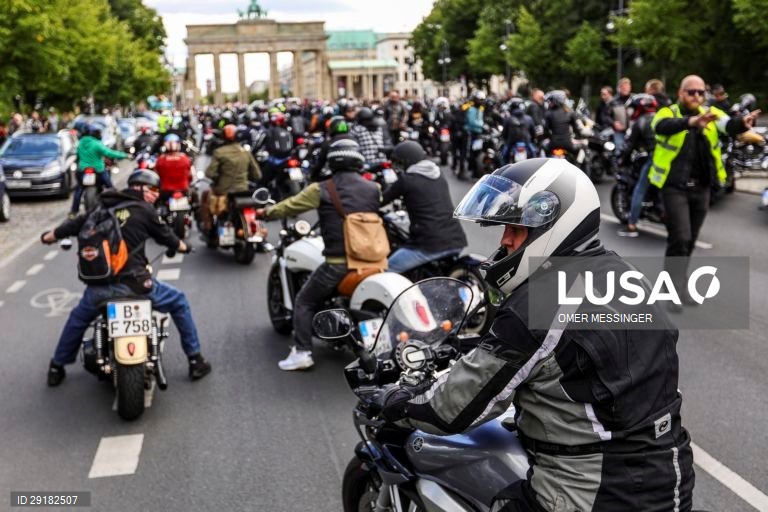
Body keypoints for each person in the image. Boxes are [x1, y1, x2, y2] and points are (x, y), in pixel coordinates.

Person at [376, 158, 696, 511]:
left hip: (592, 492)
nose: (506, 240)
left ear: (556, 226)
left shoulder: (538, 304)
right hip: (671, 478)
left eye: (517, 229)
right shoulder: (625, 274)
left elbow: (449, 410)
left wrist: (394, 401)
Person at [42, 170, 211, 386]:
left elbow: (72, 226)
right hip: (138, 285)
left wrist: (48, 237)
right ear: (138, 187)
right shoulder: (145, 210)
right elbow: (168, 238)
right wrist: (184, 247)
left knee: (77, 320)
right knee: (179, 302)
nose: (155, 195)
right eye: (152, 190)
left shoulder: (100, 207)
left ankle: (57, 366)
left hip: (100, 287)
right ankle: (195, 359)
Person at [256, 139, 381, 371]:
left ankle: (302, 352)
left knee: (304, 301)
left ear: (332, 161)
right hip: (376, 260)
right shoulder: (374, 188)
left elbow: (290, 206)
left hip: (339, 263)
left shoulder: (322, 188)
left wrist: (266, 212)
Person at [649, 74, 758, 312]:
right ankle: (672, 291)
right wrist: (691, 122)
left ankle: (679, 286)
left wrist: (743, 123)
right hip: (674, 187)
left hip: (702, 188)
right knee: (681, 238)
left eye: (701, 92)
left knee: (689, 242)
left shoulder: (712, 114)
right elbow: (660, 127)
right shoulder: (669, 113)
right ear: (681, 93)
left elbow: (728, 125)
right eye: (692, 92)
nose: (697, 96)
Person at [383, 141, 467, 273]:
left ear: (407, 162)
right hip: (456, 240)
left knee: (386, 271)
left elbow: (381, 200)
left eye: (400, 163)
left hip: (429, 246)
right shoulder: (438, 173)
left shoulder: (406, 180)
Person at [199, 124, 262, 232]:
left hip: (222, 190)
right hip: (243, 190)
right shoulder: (245, 152)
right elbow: (257, 175)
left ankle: (208, 225)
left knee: (205, 196)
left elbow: (209, 173)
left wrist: (217, 178)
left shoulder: (219, 152)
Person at [618, 94, 659, 237]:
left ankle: (631, 225)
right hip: (670, 159)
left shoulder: (640, 122)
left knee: (639, 189)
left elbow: (629, 145)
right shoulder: (662, 117)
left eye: (634, 108)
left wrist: (622, 159)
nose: (632, 111)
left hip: (654, 158)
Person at [70, 124, 130, 217]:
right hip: (98, 170)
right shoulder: (97, 144)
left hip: (82, 170)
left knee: (78, 190)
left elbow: (77, 156)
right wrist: (125, 155)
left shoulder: (80, 143)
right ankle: (118, 205)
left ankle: (74, 212)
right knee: (110, 187)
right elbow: (109, 153)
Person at [501, 98, 537, 163]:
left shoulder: (508, 119)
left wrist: (506, 140)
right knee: (534, 156)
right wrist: (532, 140)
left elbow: (504, 134)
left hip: (511, 143)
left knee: (504, 157)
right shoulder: (529, 118)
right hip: (526, 142)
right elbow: (533, 133)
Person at [463, 90, 486, 179]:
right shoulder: (472, 109)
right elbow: (472, 122)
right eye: (479, 99)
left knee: (478, 151)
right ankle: (472, 170)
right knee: (473, 152)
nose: (481, 101)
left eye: (482, 99)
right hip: (473, 133)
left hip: (479, 133)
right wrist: (482, 125)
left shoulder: (480, 109)